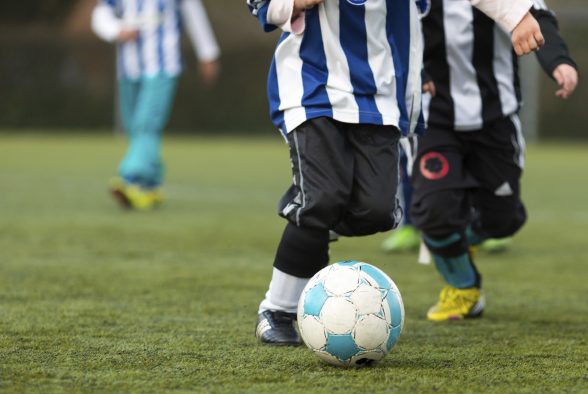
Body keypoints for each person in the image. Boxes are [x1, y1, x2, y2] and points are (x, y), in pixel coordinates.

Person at [246, 0, 546, 345]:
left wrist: (517, 16)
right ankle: (277, 310)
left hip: (381, 96)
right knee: (323, 197)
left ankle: (312, 221)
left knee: (376, 211)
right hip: (312, 85)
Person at [411, 0, 578, 321]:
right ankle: (464, 288)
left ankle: (458, 242)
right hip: (436, 121)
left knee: (504, 220)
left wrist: (559, 62)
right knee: (435, 211)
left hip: (496, 121)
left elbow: (540, 18)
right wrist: (413, 74)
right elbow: (387, 33)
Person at [91, 0, 220, 210]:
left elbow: (193, 12)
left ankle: (130, 178)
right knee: (134, 128)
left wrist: (208, 54)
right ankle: (151, 186)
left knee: (146, 123)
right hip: (128, 66)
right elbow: (100, 14)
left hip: (162, 65)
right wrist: (116, 31)